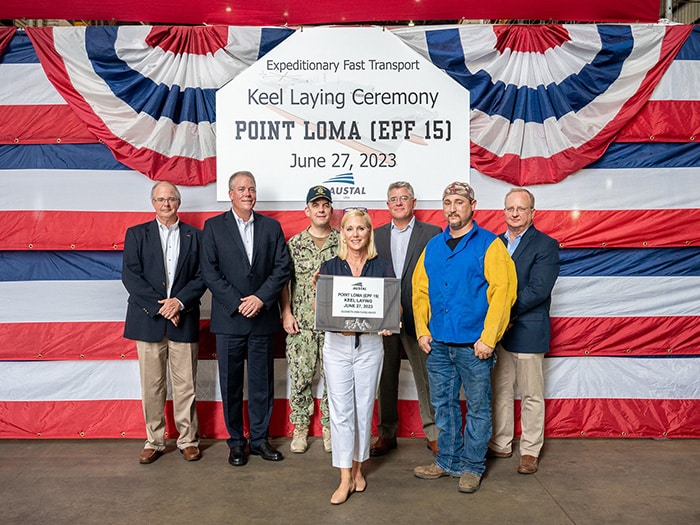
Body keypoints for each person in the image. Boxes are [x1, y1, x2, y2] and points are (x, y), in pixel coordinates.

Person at [412, 181, 517, 494]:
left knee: (478, 408)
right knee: (442, 405)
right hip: (440, 344)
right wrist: (422, 330)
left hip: (475, 346)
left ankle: (472, 466)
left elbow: (504, 292)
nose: (452, 208)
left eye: (459, 201)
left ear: (472, 206)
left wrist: (489, 338)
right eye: (447, 202)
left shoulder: (489, 244)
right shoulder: (432, 246)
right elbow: (419, 290)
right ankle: (447, 461)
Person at [200, 171, 290, 467]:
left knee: (262, 383)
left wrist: (260, 299)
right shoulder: (213, 227)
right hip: (230, 319)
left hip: (262, 317)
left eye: (251, 189)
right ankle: (237, 443)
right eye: (241, 189)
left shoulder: (271, 227)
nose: (248, 193)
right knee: (231, 383)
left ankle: (260, 440)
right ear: (231, 194)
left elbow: (281, 268)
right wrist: (238, 303)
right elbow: (210, 272)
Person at [122, 181, 207, 464]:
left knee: (186, 386)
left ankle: (187, 440)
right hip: (148, 320)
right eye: (160, 199)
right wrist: (162, 308)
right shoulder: (136, 235)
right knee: (152, 385)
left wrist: (178, 302)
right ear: (153, 203)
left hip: (184, 317)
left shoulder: (196, 236)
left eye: (171, 199)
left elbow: (202, 276)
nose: (166, 204)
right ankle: (154, 441)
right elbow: (131, 277)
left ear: (178, 203)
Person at [318, 209, 394, 504]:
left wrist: (389, 322)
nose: (355, 234)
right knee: (341, 412)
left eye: (360, 229)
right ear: (343, 233)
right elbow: (321, 310)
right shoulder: (329, 266)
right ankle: (344, 477)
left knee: (364, 409)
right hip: (336, 347)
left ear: (369, 232)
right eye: (349, 229)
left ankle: (359, 468)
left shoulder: (382, 266)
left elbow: (393, 309)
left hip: (371, 347)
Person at [488, 188, 560, 475]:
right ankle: (502, 442)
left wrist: (503, 312)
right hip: (499, 334)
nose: (515, 213)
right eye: (510, 209)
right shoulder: (495, 244)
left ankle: (530, 449)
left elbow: (538, 290)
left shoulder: (546, 244)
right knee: (501, 391)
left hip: (528, 330)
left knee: (531, 394)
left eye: (521, 208)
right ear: (504, 211)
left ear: (532, 212)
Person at [371, 181, 441, 457]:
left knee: (426, 375)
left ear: (413, 203)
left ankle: (434, 432)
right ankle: (386, 433)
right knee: (385, 375)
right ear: (387, 205)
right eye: (393, 199)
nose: (398, 203)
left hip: (419, 316)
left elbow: (438, 276)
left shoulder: (432, 233)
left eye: (404, 198)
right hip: (383, 316)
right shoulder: (374, 236)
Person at [279, 185, 339, 454]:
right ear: (307, 210)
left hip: (334, 324)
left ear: (331, 210)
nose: (321, 209)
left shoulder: (343, 242)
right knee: (301, 376)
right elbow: (284, 282)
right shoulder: (294, 244)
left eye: (325, 205)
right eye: (316, 205)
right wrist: (286, 312)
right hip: (301, 322)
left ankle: (329, 428)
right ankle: (300, 428)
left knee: (333, 377)